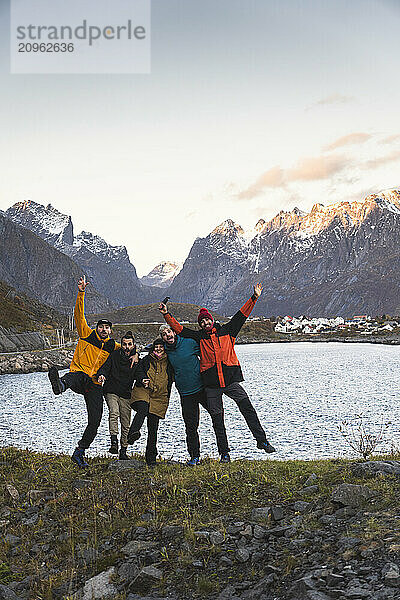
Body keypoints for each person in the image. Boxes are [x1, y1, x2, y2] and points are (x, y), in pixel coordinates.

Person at [159, 284, 276, 461]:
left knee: (247, 408)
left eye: (207, 320)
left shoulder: (228, 331)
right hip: (212, 386)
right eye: (202, 322)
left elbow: (242, 315)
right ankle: (224, 453)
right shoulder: (199, 337)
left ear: (211, 319)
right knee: (217, 420)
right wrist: (166, 314)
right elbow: (179, 329)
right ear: (200, 325)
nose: (205, 323)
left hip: (230, 381)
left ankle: (262, 441)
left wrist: (254, 297)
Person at [47, 277, 119, 467]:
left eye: (107, 328)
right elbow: (79, 314)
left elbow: (129, 350)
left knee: (95, 421)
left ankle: (79, 452)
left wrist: (138, 354)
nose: (103, 330)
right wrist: (81, 292)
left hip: (95, 385)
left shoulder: (113, 346)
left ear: (111, 331)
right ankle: (59, 386)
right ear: (97, 328)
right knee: (75, 376)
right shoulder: (86, 333)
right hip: (79, 376)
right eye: (101, 327)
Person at [159, 323, 230, 465]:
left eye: (169, 332)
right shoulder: (165, 350)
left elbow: (209, 353)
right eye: (164, 335)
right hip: (185, 393)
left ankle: (224, 454)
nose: (168, 335)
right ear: (163, 338)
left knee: (217, 419)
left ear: (174, 332)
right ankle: (194, 457)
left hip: (203, 388)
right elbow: (152, 353)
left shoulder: (189, 343)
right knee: (191, 427)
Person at [127, 339, 174, 466]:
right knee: (143, 408)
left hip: (159, 396)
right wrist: (143, 379)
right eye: (156, 347)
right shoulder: (146, 359)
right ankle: (133, 433)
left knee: (153, 427)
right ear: (152, 349)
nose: (158, 349)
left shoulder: (170, 362)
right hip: (143, 391)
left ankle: (151, 458)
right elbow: (138, 371)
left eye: (161, 347)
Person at [96, 331, 140, 460]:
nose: (127, 347)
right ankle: (114, 441)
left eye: (129, 344)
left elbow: (140, 373)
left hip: (126, 393)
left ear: (133, 345)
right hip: (111, 390)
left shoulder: (137, 360)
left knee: (126, 422)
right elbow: (105, 367)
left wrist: (144, 380)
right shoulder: (114, 356)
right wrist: (101, 375)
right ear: (121, 345)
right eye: (124, 344)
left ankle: (124, 450)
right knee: (114, 412)